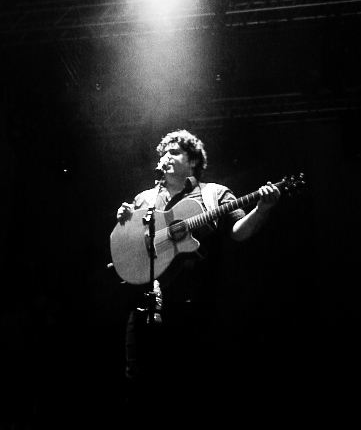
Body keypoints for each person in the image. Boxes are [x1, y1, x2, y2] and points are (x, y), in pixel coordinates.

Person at [113, 129, 280, 420]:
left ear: (193, 161)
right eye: (163, 154)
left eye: (174, 153)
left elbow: (238, 233)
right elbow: (126, 242)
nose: (165, 158)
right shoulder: (145, 198)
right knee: (137, 386)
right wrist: (123, 221)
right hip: (144, 305)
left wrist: (262, 210)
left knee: (185, 389)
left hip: (192, 309)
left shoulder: (214, 194)